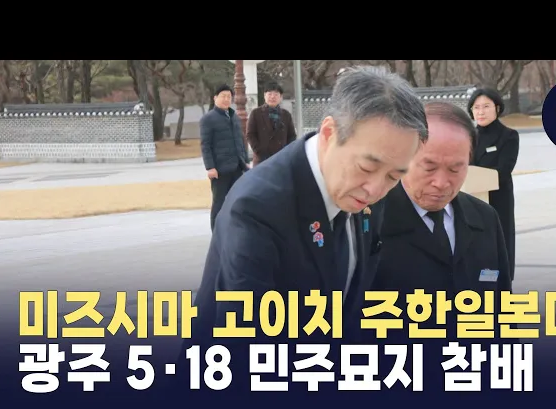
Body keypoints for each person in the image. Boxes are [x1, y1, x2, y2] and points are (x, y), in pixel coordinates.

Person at [181, 66, 429, 371]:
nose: (375, 189)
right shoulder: (257, 207)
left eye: (393, 177)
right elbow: (250, 342)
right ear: (329, 133)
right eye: (366, 168)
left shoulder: (366, 194)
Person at [369, 101, 513, 392]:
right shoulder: (368, 222)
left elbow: (501, 312)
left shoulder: (484, 218)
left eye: (456, 169)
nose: (442, 182)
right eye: (429, 166)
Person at [467, 87, 519, 281]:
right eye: (476, 107)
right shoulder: (468, 137)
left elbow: (504, 170)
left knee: (498, 243)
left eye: (486, 106)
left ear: (497, 108)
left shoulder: (508, 136)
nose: (480, 111)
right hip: (470, 199)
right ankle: (479, 284)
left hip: (497, 200)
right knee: (475, 245)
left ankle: (500, 285)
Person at [199, 84, 249, 230]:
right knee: (219, 203)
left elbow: (240, 140)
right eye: (223, 96)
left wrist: (245, 160)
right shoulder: (208, 119)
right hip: (220, 169)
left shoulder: (234, 116)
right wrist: (210, 167)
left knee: (238, 200)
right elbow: (205, 145)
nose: (226, 99)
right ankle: (217, 233)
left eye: (229, 97)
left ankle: (235, 231)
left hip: (237, 167)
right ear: (215, 98)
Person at [246, 81, 297, 166]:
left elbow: (292, 136)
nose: (272, 97)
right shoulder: (256, 113)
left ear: (281, 97)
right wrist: (259, 151)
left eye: (276, 94)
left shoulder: (286, 115)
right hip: (261, 160)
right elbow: (250, 135)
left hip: (281, 159)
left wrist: (286, 152)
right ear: (264, 95)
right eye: (269, 94)